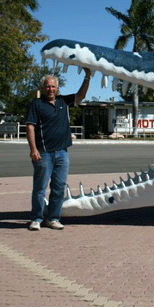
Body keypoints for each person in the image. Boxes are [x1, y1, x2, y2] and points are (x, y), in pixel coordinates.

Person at [26, 69, 91, 231]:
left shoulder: (63, 102)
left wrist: (87, 77)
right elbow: (30, 126)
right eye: (48, 87)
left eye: (53, 86)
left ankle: (53, 218)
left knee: (59, 187)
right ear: (43, 88)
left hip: (62, 152)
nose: (51, 89)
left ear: (58, 88)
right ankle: (36, 219)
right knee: (40, 187)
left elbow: (81, 96)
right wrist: (33, 149)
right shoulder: (36, 104)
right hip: (44, 152)